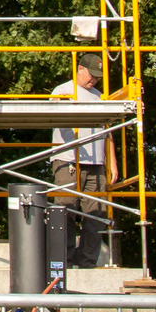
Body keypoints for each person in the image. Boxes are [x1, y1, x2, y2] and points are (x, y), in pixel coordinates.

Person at [49, 55, 116, 268]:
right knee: (66, 210)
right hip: (68, 159)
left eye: (98, 77)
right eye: (91, 75)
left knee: (96, 213)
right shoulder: (62, 91)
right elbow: (52, 114)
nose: (94, 80)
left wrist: (111, 162)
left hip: (96, 163)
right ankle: (64, 261)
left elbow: (109, 131)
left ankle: (87, 261)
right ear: (79, 69)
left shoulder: (100, 97)